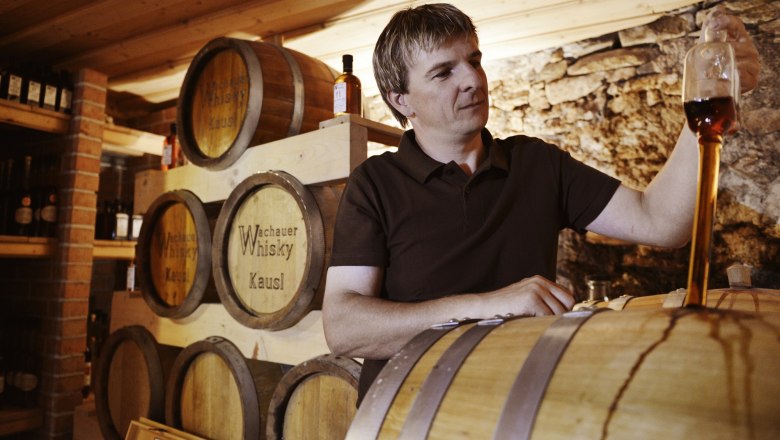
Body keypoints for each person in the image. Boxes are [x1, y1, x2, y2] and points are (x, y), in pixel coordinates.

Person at [322, 3, 760, 402]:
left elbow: (663, 222)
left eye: (474, 60)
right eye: (444, 72)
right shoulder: (375, 183)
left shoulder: (536, 163)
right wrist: (486, 306)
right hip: (405, 415)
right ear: (402, 100)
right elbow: (344, 327)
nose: (473, 79)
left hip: (519, 408)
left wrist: (707, 107)